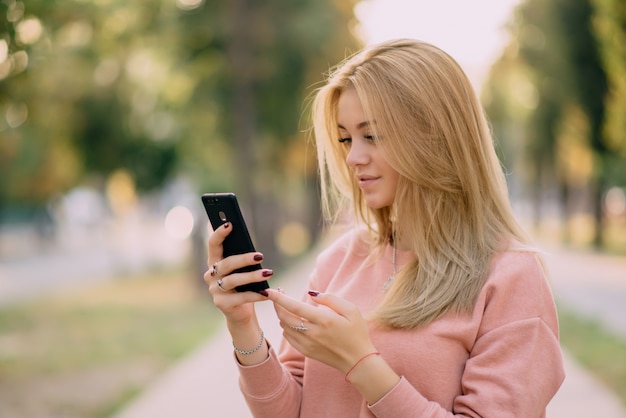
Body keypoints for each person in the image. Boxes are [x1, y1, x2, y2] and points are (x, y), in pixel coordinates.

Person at [205, 38, 565, 417]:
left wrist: (361, 364)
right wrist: (243, 325)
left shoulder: (512, 279)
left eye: (372, 135)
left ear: (436, 136)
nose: (353, 158)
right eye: (346, 138)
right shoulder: (339, 260)